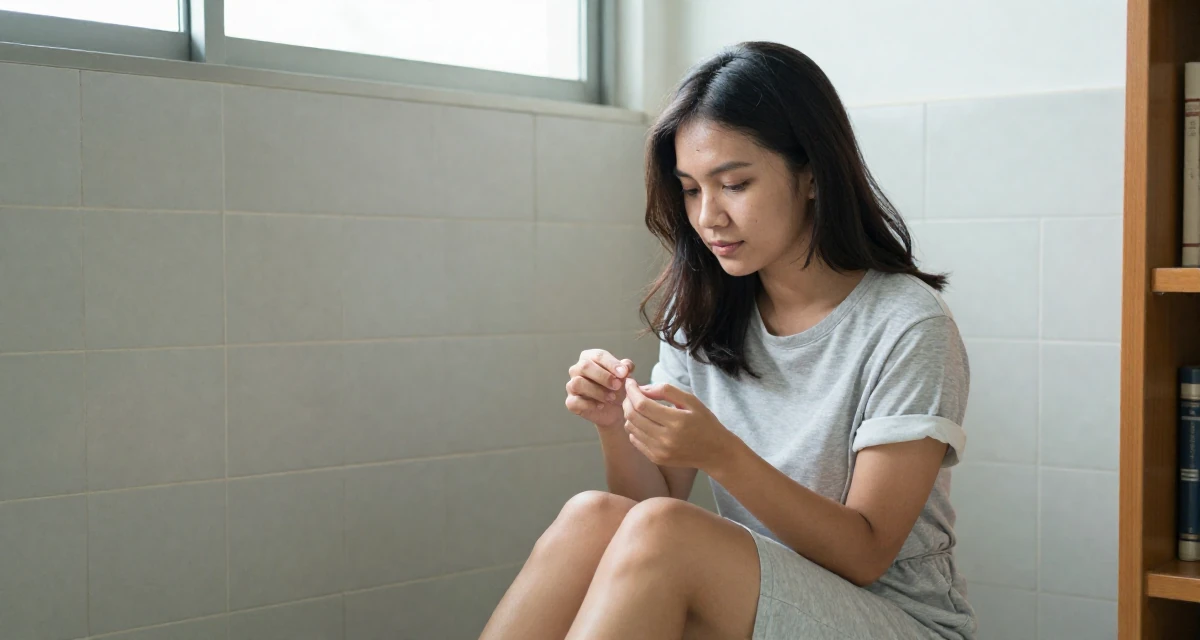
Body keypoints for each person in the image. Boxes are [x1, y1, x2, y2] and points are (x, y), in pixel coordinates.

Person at [480, 40, 976, 640]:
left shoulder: (906, 324)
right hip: (761, 596)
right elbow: (648, 505)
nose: (707, 214)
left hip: (897, 621)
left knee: (669, 532)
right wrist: (616, 424)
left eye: (733, 183)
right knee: (596, 516)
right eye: (690, 189)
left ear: (812, 174)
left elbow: (865, 553)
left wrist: (721, 452)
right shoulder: (705, 312)